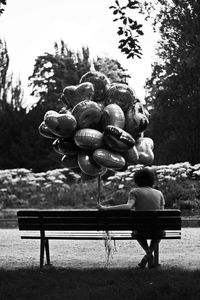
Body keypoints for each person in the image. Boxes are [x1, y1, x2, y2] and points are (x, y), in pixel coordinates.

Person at [97, 167, 165, 268]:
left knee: (137, 232)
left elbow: (128, 206)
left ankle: (148, 254)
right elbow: (162, 214)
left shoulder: (135, 192)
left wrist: (106, 208)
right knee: (158, 232)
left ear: (137, 180)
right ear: (152, 180)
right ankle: (150, 256)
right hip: (157, 230)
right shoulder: (159, 193)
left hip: (141, 230)